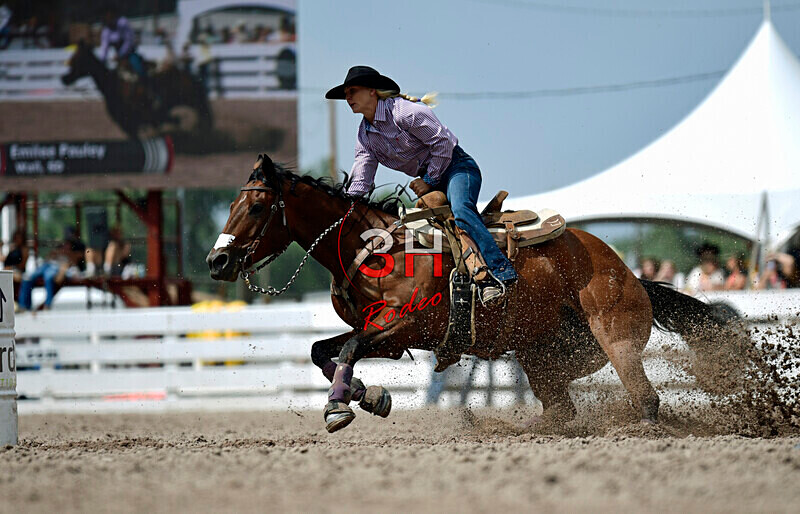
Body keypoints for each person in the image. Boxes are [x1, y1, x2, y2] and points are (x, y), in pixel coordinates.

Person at [325, 66, 518, 304]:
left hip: (458, 168)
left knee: (462, 211)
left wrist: (428, 181)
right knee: (415, 233)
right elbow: (362, 175)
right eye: (345, 93)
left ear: (372, 91)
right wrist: (346, 207)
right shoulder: (365, 135)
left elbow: (443, 145)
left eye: (352, 91)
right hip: (431, 180)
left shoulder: (406, 113)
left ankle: (500, 273)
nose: (348, 97)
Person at [18, 228, 86, 311]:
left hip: (59, 266)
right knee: (28, 278)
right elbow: (48, 257)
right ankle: (23, 305)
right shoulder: (61, 246)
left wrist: (66, 254)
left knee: (48, 277)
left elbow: (76, 261)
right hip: (48, 265)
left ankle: (47, 304)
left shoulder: (77, 246)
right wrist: (55, 253)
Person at [99, 8, 145, 79]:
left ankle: (145, 82)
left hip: (130, 54)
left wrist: (120, 54)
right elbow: (104, 48)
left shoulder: (123, 23)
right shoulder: (106, 31)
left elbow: (129, 41)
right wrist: (102, 61)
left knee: (139, 69)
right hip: (118, 57)